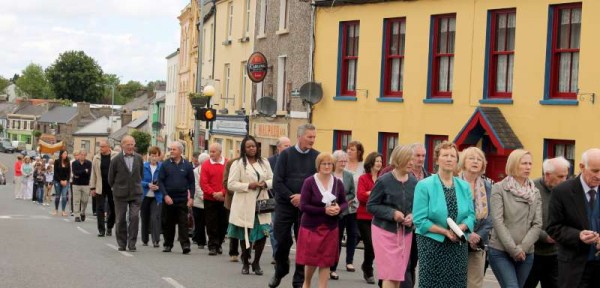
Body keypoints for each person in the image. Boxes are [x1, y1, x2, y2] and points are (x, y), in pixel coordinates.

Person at [413, 141, 475, 288]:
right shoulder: (424, 185)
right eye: (445, 155)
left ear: (457, 161)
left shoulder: (464, 186)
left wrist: (459, 228)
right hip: (432, 245)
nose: (449, 159)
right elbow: (420, 220)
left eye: (453, 156)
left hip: (457, 245)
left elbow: (471, 216)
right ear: (437, 159)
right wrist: (445, 232)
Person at [269, 124, 319, 288]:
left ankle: (299, 280)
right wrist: (292, 197)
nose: (312, 140)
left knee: (303, 244)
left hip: (306, 208)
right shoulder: (286, 155)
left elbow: (318, 183)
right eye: (309, 137)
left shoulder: (316, 157)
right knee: (282, 240)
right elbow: (277, 181)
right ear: (300, 136)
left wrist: (303, 197)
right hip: (285, 205)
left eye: (314, 137)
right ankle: (281, 268)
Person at [488, 149, 542, 288]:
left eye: (530, 163)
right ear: (513, 164)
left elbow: (537, 224)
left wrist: (523, 248)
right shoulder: (499, 188)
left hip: (526, 253)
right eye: (524, 163)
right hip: (501, 251)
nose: (528, 167)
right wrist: (514, 250)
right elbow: (498, 221)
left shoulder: (535, 192)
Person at [548, 148, 600, 288]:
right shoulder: (562, 192)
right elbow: (553, 227)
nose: (599, 176)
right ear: (582, 167)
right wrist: (578, 236)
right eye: (595, 171)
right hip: (574, 268)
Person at [367, 145, 418, 288]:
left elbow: (418, 208)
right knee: (390, 274)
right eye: (408, 160)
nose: (411, 163)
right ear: (398, 159)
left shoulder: (414, 182)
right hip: (384, 232)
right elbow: (371, 206)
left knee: (398, 275)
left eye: (412, 160)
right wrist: (392, 213)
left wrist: (412, 216)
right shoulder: (383, 180)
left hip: (405, 233)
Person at [297, 152, 348, 288]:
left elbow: (344, 202)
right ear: (318, 166)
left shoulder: (337, 183)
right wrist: (323, 210)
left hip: (330, 227)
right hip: (311, 227)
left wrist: (339, 208)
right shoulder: (309, 182)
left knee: (326, 261)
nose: (327, 166)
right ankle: (306, 283)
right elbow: (303, 205)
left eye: (329, 164)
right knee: (312, 260)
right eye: (324, 164)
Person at [227, 136, 273, 275]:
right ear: (243, 149)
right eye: (248, 146)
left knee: (262, 234)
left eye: (253, 146)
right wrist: (248, 185)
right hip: (245, 203)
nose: (252, 148)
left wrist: (265, 184)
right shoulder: (239, 164)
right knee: (245, 234)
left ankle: (256, 263)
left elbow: (273, 178)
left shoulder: (264, 162)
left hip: (262, 204)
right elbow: (231, 184)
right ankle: (246, 262)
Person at [524, 157, 570, 288]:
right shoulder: (530, 189)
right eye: (560, 176)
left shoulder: (566, 191)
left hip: (556, 255)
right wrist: (544, 236)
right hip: (532, 253)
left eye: (566, 176)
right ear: (548, 175)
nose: (564, 180)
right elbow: (524, 220)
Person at [458, 147, 493, 288]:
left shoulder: (488, 186)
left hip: (478, 243)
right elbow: (448, 213)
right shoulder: (453, 183)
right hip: (456, 240)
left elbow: (491, 217)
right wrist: (466, 234)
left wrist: (477, 236)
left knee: (474, 284)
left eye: (479, 159)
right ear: (463, 162)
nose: (475, 161)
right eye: (471, 158)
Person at [108, 135, 144, 252]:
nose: (130, 147)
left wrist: (137, 185)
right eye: (128, 144)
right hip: (120, 194)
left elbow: (141, 174)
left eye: (132, 144)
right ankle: (122, 243)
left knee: (134, 217)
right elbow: (110, 178)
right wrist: (116, 187)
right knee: (120, 219)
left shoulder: (139, 158)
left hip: (136, 193)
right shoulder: (116, 160)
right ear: (122, 145)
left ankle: (132, 243)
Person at [159, 141, 195, 254]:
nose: (171, 151)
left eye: (174, 149)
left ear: (180, 151)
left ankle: (185, 245)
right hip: (169, 198)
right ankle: (168, 244)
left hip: (182, 199)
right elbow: (160, 181)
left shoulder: (187, 165)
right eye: (171, 149)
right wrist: (165, 195)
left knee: (183, 223)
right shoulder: (165, 164)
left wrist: (191, 198)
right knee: (168, 223)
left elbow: (192, 183)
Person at [329, 150, 357, 280]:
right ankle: (332, 267)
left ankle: (348, 261)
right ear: (335, 161)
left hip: (347, 211)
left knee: (352, 235)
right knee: (336, 239)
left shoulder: (348, 175)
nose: (344, 163)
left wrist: (345, 200)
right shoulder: (329, 174)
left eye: (345, 161)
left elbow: (352, 192)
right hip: (332, 211)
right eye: (341, 161)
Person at [356, 152, 383, 284]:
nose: (379, 163)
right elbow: (360, 196)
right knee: (369, 244)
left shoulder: (382, 178)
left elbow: (384, 197)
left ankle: (366, 265)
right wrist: (375, 195)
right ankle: (368, 270)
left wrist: (370, 194)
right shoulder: (363, 178)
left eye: (380, 161)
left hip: (377, 217)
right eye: (377, 161)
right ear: (371, 162)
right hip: (363, 216)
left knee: (375, 246)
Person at [201, 143, 229, 256]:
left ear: (220, 152)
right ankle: (212, 245)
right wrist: (213, 193)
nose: (211, 154)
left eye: (213, 152)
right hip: (210, 199)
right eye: (210, 152)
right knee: (211, 223)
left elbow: (230, 180)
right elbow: (203, 182)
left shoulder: (227, 163)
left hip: (223, 198)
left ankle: (219, 243)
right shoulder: (206, 164)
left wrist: (222, 193)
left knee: (223, 223)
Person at [268, 136, 292, 261]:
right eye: (286, 146)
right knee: (274, 228)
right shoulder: (270, 161)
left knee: (288, 230)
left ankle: (284, 252)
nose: (289, 148)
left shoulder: (293, 159)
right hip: (273, 198)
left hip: (289, 199)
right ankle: (276, 253)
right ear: (278, 147)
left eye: (289, 145)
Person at [90, 140, 118, 237]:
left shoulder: (116, 156)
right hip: (100, 186)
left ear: (108, 147)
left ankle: (109, 226)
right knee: (100, 208)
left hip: (112, 186)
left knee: (113, 208)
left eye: (103, 146)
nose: (100, 148)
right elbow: (93, 174)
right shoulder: (96, 158)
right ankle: (101, 229)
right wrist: (92, 187)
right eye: (100, 146)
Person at [141, 146, 163, 248]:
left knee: (155, 218)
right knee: (145, 218)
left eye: (156, 156)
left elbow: (165, 181)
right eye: (152, 155)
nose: (154, 158)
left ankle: (156, 240)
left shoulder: (162, 167)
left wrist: (158, 186)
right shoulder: (143, 166)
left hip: (157, 196)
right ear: (149, 156)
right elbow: (138, 180)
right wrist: (147, 184)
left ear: (159, 157)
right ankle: (145, 239)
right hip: (145, 196)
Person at [223, 155, 241, 261]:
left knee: (249, 226)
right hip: (233, 199)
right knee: (234, 225)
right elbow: (226, 182)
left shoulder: (257, 163)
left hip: (250, 200)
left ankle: (247, 252)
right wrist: (239, 193)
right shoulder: (232, 163)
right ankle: (233, 252)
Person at [192, 152, 210, 249]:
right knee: (199, 223)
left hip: (210, 200)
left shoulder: (210, 170)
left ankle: (211, 240)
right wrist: (203, 196)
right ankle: (201, 241)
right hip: (198, 201)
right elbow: (196, 186)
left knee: (210, 222)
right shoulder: (195, 171)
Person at [71, 150, 92, 222]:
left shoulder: (89, 163)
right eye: (81, 155)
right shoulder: (74, 163)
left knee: (85, 200)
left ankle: (83, 212)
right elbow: (75, 173)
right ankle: (77, 215)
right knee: (76, 200)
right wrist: (84, 171)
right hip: (76, 184)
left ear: (86, 156)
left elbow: (89, 173)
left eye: (84, 155)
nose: (82, 156)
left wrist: (81, 172)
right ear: (79, 155)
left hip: (85, 184)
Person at [53, 150, 71, 216]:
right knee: (58, 196)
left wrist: (66, 180)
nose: (66, 155)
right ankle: (56, 209)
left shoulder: (68, 162)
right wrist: (60, 181)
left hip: (66, 181)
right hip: (57, 181)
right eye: (64, 153)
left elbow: (68, 173)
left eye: (66, 153)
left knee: (64, 196)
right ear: (61, 154)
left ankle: (63, 211)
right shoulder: (57, 161)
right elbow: (56, 173)